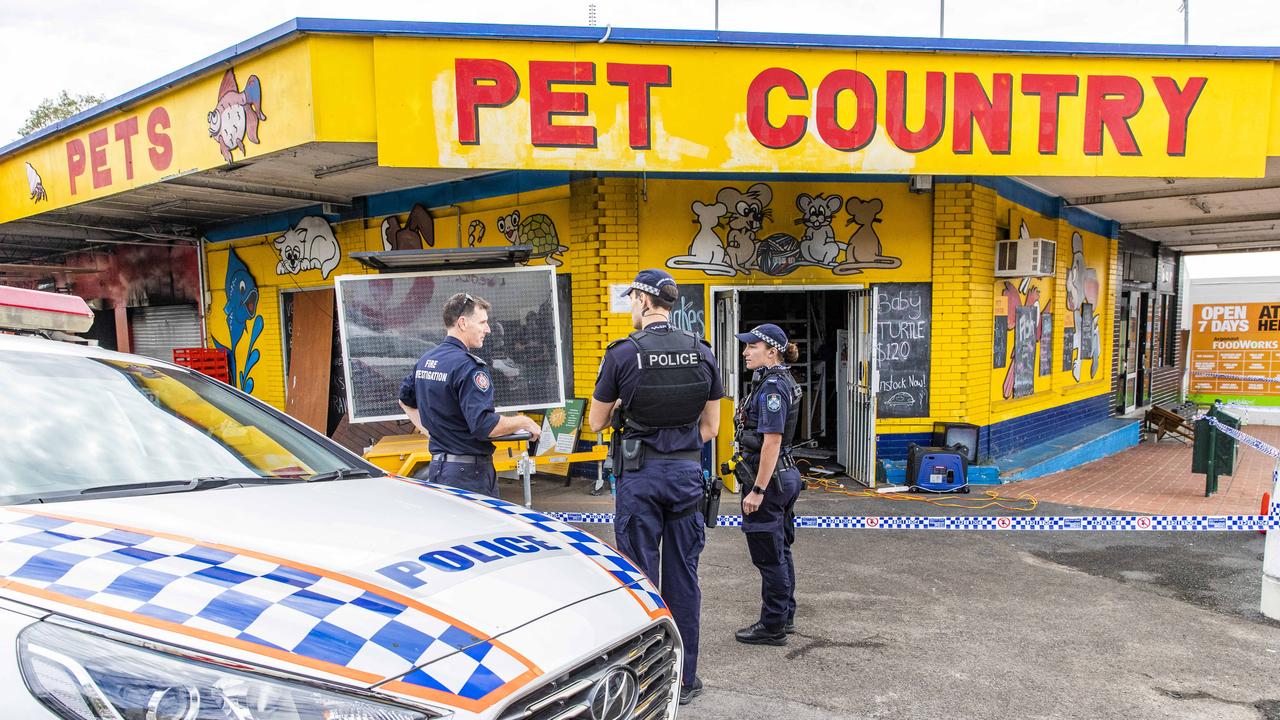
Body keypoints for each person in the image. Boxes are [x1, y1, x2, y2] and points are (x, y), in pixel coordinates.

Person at [588, 269, 722, 706]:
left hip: (640, 477)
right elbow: (711, 427)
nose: (630, 306)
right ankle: (684, 681)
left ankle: (645, 680)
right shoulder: (702, 352)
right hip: (685, 476)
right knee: (683, 578)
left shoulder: (623, 354)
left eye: (632, 299)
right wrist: (677, 443)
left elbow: (596, 422)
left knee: (639, 579)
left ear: (646, 301)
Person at [399, 292, 540, 497]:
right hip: (469, 477)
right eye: (482, 322)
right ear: (463, 323)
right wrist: (523, 422)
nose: (488, 329)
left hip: (439, 470)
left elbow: (405, 401)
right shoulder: (469, 367)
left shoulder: (426, 360)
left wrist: (430, 431)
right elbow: (485, 426)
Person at [732, 323, 803, 646]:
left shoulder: (773, 387)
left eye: (752, 347)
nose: (746, 352)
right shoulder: (774, 381)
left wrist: (757, 490)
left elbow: (771, 442)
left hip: (771, 482)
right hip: (783, 477)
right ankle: (784, 615)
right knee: (780, 549)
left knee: (768, 555)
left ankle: (773, 625)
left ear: (771, 351)